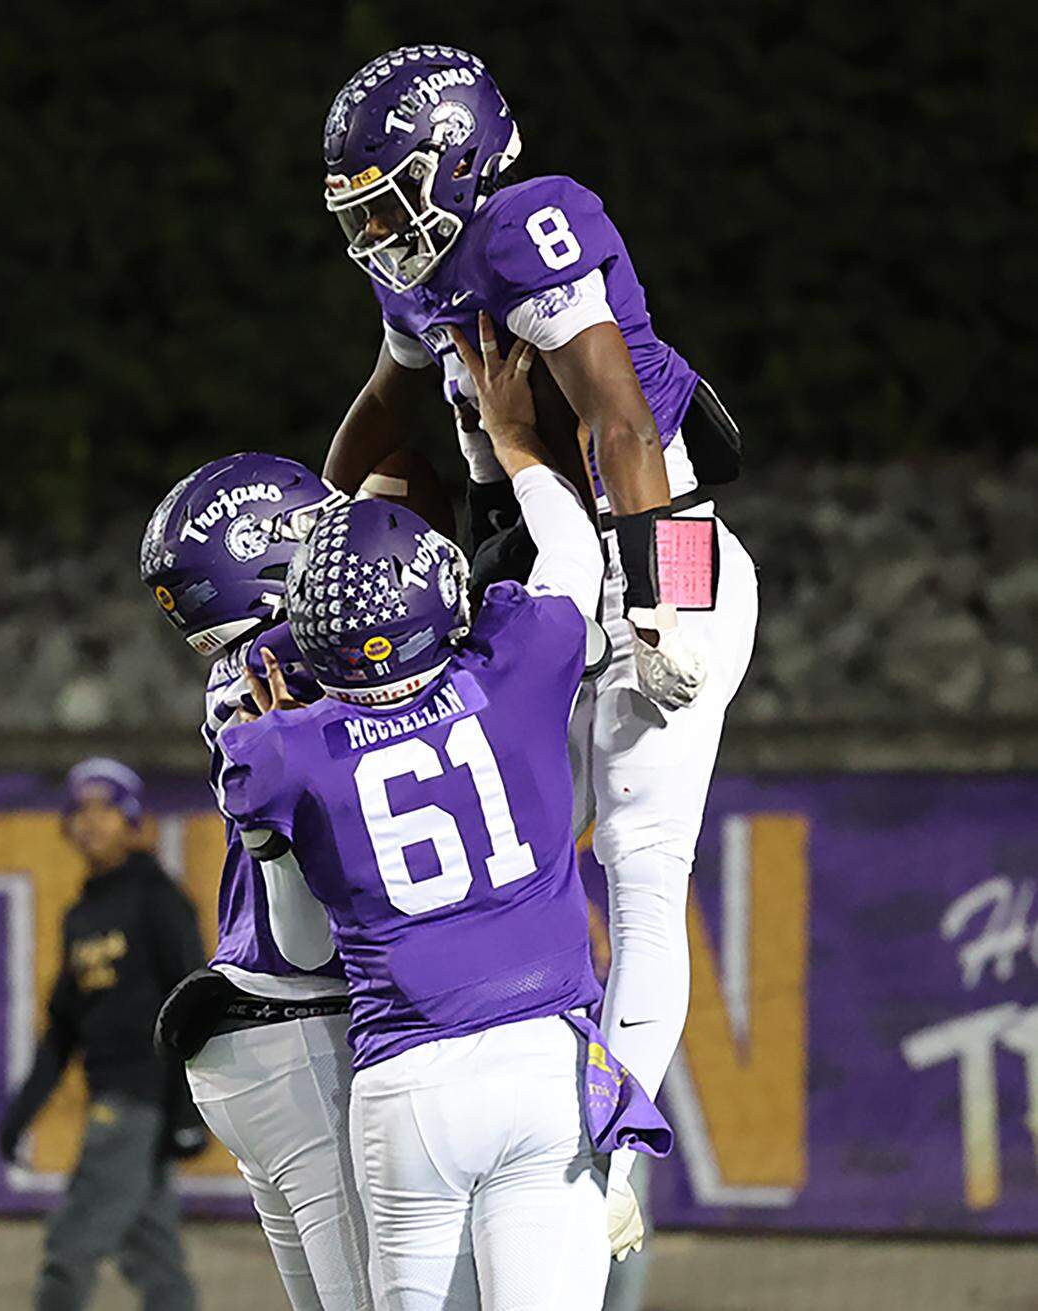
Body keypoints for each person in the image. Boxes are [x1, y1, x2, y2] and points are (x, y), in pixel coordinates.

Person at [317, 44, 759, 1253]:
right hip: (546, 570)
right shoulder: (418, 281)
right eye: (360, 211)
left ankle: (617, 1153)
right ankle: (502, 1100)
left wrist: (660, 605)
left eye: (390, 196)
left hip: (660, 553)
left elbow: (618, 418)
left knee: (642, 863)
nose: (379, 231)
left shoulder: (527, 223)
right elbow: (385, 421)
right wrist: (322, 538)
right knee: (496, 845)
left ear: (458, 160)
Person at [216, 321, 672, 1311]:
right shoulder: (514, 668)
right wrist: (510, 439)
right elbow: (570, 556)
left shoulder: (278, 748)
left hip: (408, 1082)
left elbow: (297, 936)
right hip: (547, 1058)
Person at [141, 453, 374, 1311]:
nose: (340, 545)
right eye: (314, 528)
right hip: (301, 1022)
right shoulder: (298, 651)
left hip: (250, 1038)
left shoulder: (247, 666)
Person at [0, 758, 204, 1311]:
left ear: (133, 820)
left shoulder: (159, 899)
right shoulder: (81, 915)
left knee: (71, 1245)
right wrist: (22, 1113)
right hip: (115, 1099)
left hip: (137, 1102)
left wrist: (189, 1110)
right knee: (155, 1258)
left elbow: (194, 1000)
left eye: (105, 808)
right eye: (79, 810)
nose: (90, 822)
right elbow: (63, 1028)